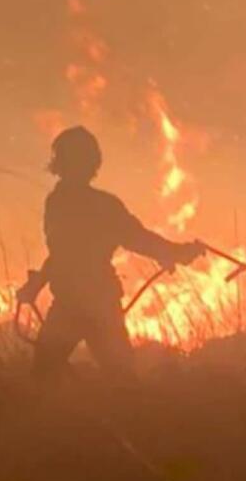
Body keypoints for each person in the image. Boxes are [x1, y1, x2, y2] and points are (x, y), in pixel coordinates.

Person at [16, 126, 204, 382]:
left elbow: (64, 253)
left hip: (78, 304)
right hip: (94, 303)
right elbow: (135, 239)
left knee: (47, 376)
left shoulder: (58, 202)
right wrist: (177, 252)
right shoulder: (99, 204)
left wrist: (37, 284)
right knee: (117, 380)